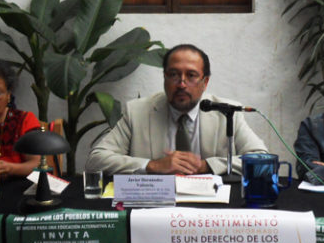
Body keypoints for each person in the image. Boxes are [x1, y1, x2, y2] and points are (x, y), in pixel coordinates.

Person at [85, 44, 268, 175]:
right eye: (173, 75)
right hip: (154, 206)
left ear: (205, 82)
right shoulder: (137, 112)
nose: (181, 84)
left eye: (191, 75)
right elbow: (96, 160)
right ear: (164, 78)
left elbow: (263, 161)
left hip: (210, 207)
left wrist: (206, 166)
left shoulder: (227, 113)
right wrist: (152, 166)